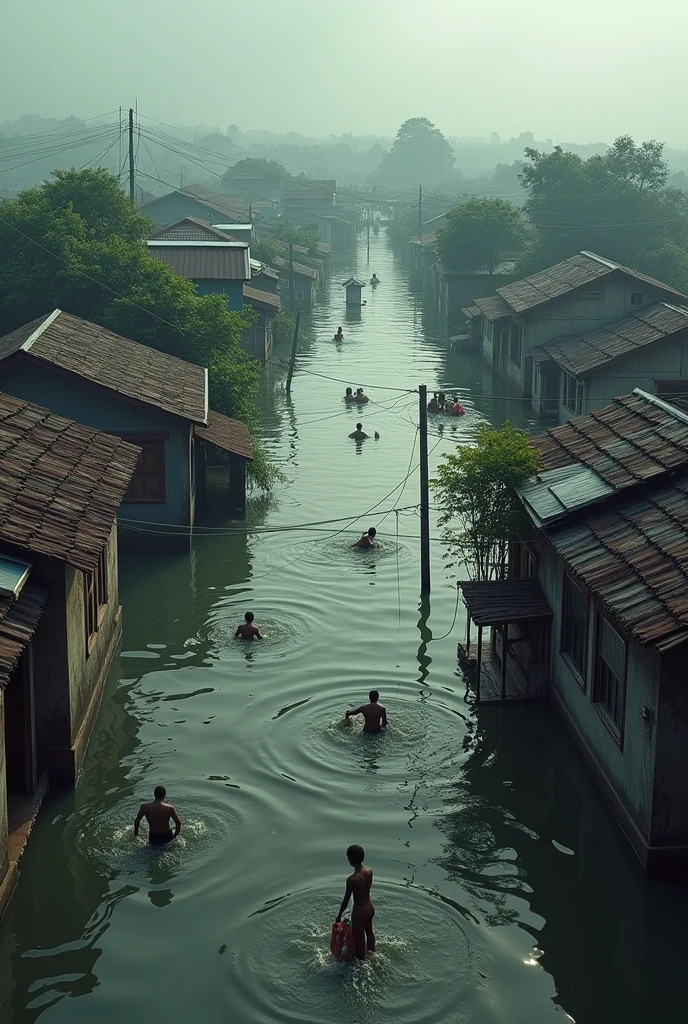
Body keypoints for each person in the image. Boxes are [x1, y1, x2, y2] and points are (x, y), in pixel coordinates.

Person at [336, 845, 375, 960]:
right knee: (369, 932)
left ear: (350, 859)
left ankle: (362, 962)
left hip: (359, 912)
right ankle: (373, 953)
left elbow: (345, 901)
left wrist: (338, 916)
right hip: (369, 908)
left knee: (360, 940)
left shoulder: (352, 879)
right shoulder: (369, 872)